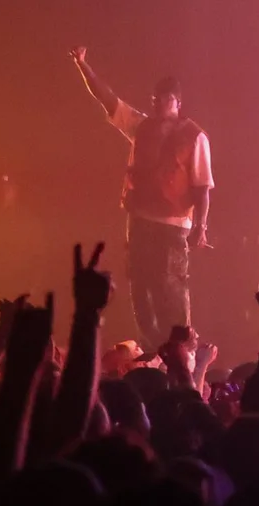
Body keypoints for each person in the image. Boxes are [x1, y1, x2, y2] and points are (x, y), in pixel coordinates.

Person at [70, 47, 212, 344]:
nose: (160, 104)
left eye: (166, 99)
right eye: (156, 99)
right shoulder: (141, 126)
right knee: (140, 287)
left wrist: (201, 226)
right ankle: (153, 346)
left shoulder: (195, 137)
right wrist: (84, 66)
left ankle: (181, 348)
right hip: (140, 222)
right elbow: (108, 100)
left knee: (171, 289)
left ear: (178, 102)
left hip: (173, 226)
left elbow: (202, 187)